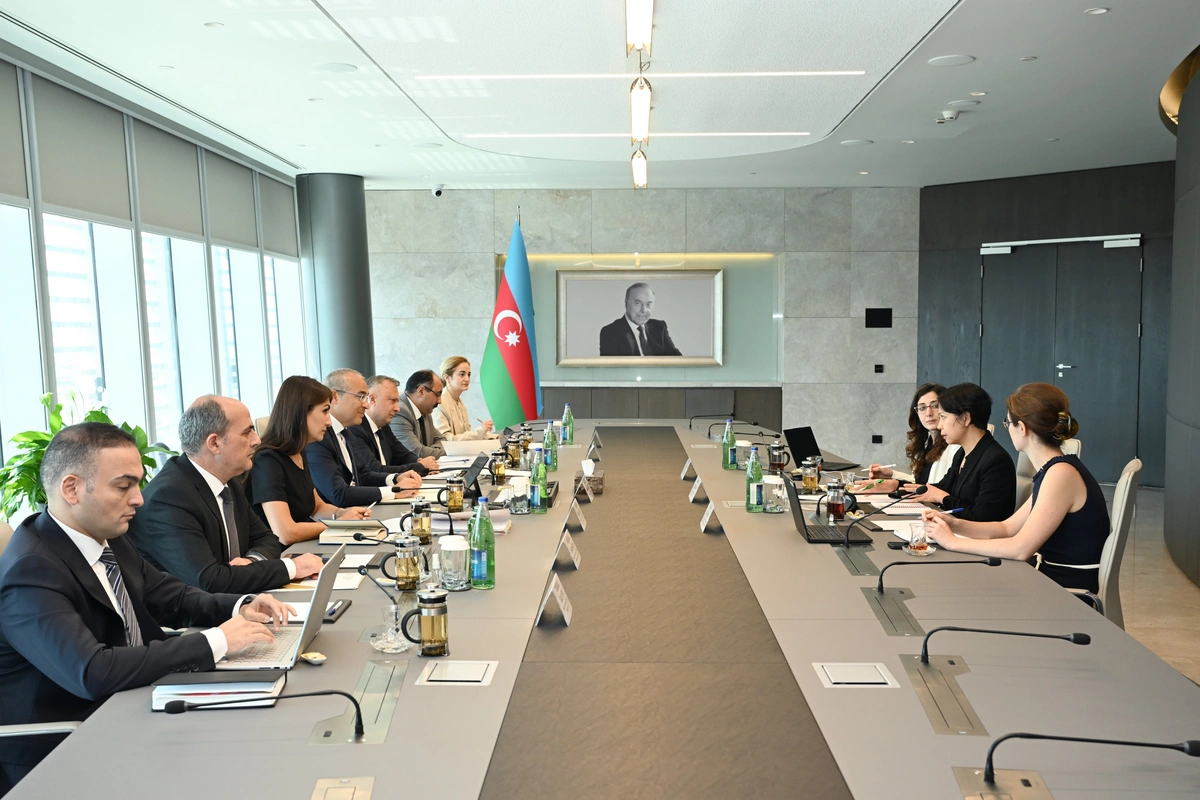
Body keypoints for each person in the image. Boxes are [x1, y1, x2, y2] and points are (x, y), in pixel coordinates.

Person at [0, 423, 293, 792]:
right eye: (123, 486)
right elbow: (92, 671)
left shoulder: (107, 537)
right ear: (71, 489)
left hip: (135, 704)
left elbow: (173, 598)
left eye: (137, 484)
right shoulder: (31, 570)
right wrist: (216, 641)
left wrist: (240, 607)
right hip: (68, 746)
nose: (138, 499)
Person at [923, 383, 1110, 592]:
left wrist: (952, 543)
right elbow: (1007, 528)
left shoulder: (1061, 474)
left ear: (1022, 428)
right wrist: (955, 524)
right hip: (1049, 581)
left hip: (1063, 590)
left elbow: (1020, 549)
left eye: (1008, 423)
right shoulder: (1054, 470)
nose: (1008, 429)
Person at [127, 396, 323, 593]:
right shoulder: (169, 497)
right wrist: (291, 568)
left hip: (235, 599)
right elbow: (209, 581)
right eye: (247, 432)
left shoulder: (228, 481)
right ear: (214, 443)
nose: (257, 440)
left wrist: (252, 561)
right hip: (194, 611)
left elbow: (267, 539)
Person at [247, 376, 373, 545]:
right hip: (281, 554)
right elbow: (285, 533)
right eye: (325, 411)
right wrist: (339, 524)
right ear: (300, 413)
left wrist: (343, 513)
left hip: (303, 547)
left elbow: (317, 508)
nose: (329, 422)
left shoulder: (299, 452)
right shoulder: (268, 460)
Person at [307, 369, 422, 508]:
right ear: (335, 397)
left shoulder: (346, 431)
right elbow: (338, 494)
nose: (366, 404)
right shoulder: (318, 438)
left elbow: (363, 475)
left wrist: (395, 478)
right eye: (360, 396)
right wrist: (393, 491)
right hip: (336, 517)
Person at [901, 382, 1015, 522]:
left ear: (965, 418)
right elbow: (937, 488)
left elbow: (981, 519)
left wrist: (942, 497)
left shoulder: (996, 461)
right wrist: (897, 487)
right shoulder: (961, 454)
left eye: (943, 417)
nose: (940, 425)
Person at [864, 383, 960, 492]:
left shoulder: (955, 446)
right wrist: (891, 474)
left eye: (935, 406)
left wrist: (896, 484)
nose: (928, 413)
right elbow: (918, 482)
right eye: (922, 408)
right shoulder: (927, 442)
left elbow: (939, 489)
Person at [349, 374, 439, 476]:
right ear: (372, 399)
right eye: (392, 401)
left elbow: (402, 455)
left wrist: (421, 462)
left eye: (397, 402)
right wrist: (420, 466)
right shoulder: (356, 429)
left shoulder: (384, 426)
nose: (397, 408)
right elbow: (374, 470)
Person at [598, 282, 682, 357]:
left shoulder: (659, 327)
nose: (643, 310)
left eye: (648, 304)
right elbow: (611, 368)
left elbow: (678, 361)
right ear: (626, 303)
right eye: (638, 303)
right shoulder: (610, 332)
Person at [433, 356, 495, 441]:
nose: (467, 379)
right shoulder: (439, 403)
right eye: (462, 374)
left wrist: (495, 437)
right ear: (447, 378)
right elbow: (445, 440)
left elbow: (466, 434)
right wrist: (481, 430)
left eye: (469, 374)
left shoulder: (459, 401)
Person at [391, 369, 447, 459]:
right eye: (438, 394)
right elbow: (417, 453)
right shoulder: (400, 412)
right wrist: (426, 451)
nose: (440, 401)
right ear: (421, 391)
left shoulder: (425, 412)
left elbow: (443, 440)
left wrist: (427, 450)